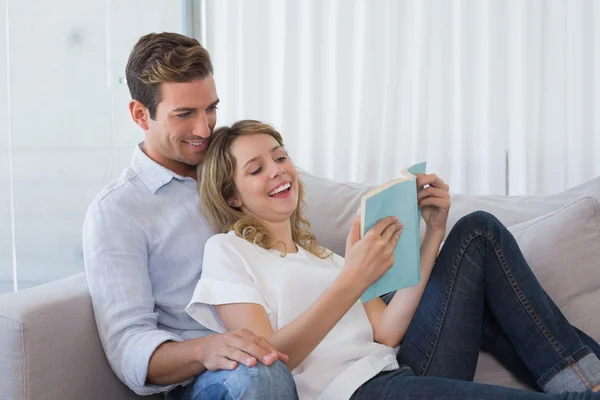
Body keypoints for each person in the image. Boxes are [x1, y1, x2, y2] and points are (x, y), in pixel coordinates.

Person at [187, 119, 600, 400]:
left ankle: (590, 379)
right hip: (352, 392)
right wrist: (352, 278)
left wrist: (432, 232)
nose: (278, 171)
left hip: (396, 369)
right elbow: (269, 361)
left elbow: (386, 332)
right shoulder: (228, 251)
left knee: (477, 230)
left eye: (280, 157)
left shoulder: (325, 256)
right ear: (232, 196)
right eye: (257, 169)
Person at [83, 33, 297, 399]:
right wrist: (205, 350)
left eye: (210, 108)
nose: (204, 129)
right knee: (257, 372)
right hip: (214, 377)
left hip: (287, 334)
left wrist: (404, 196)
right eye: (184, 115)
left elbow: (306, 188)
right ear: (140, 114)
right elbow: (128, 345)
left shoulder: (230, 162)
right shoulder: (118, 212)